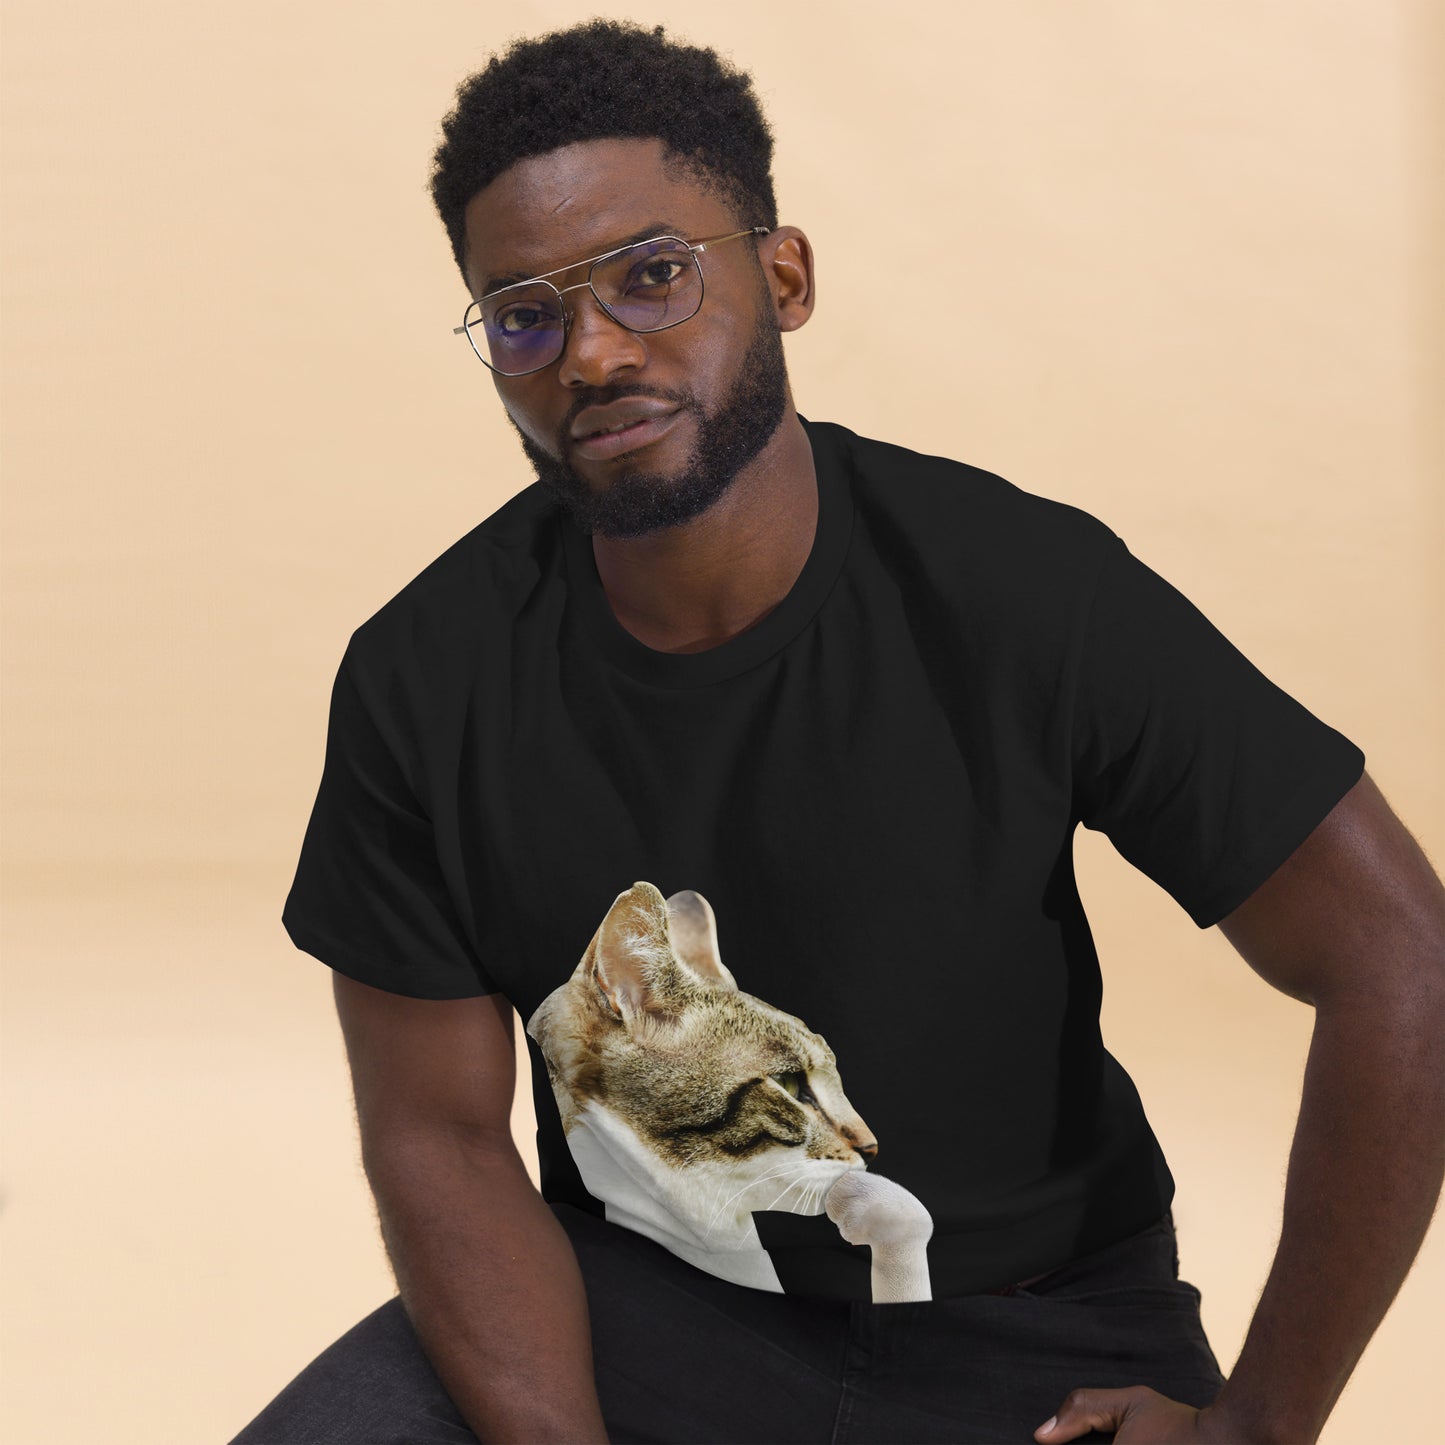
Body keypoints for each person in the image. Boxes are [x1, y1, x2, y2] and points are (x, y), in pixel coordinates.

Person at [230, 19, 1445, 1445]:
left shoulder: (1015, 589)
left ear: (783, 276)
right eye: (524, 316)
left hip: (1028, 1333)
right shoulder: (421, 678)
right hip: (630, 1313)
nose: (594, 351)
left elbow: (1398, 959)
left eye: (652, 275)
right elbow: (436, 1131)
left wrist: (1259, 1424)